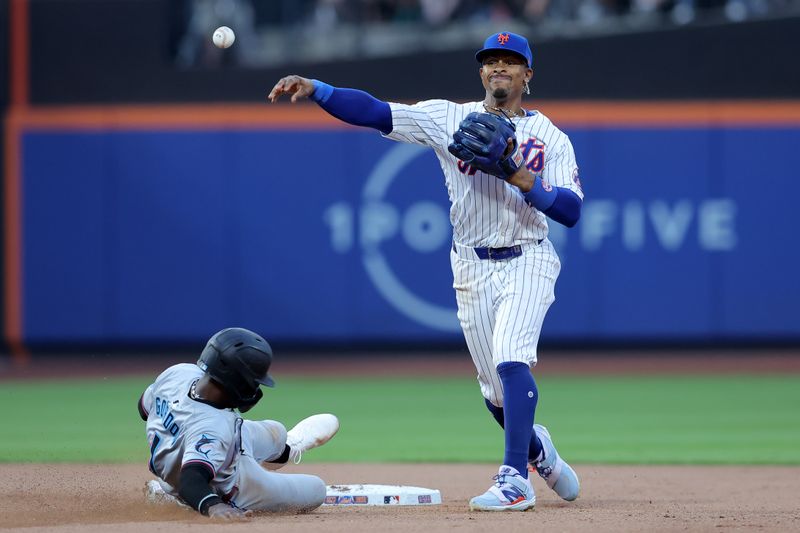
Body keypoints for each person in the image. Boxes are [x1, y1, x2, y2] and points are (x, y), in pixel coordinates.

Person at [268, 30, 582, 512]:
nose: (499, 66)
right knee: (496, 395)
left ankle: (515, 477)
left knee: (512, 358)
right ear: (481, 72)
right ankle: (539, 450)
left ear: (527, 74)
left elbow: (571, 211)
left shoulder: (552, 139)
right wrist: (321, 90)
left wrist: (518, 174)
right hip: (471, 263)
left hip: (528, 255)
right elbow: (376, 111)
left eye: (510, 61)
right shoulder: (449, 117)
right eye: (491, 60)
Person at [138, 327, 339, 519]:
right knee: (317, 489)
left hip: (223, 441)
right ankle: (175, 498)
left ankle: (288, 448)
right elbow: (191, 480)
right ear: (236, 381)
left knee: (277, 431)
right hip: (236, 484)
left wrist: (177, 428)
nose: (255, 387)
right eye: (253, 381)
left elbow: (144, 407)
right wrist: (214, 506)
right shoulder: (213, 427)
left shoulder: (178, 373)